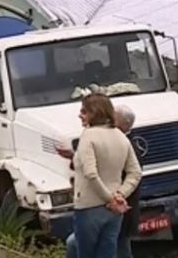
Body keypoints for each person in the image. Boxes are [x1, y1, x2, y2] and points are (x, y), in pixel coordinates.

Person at [70, 93, 142, 258]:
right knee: (107, 253)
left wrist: (109, 198)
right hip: (114, 211)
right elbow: (135, 172)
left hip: (89, 206)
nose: (80, 115)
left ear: (95, 112)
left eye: (84, 111)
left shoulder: (88, 135)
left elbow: (90, 173)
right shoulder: (121, 137)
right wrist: (120, 194)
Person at [113, 104, 142, 258]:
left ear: (123, 124)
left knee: (120, 245)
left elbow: (133, 175)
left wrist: (118, 195)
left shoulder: (127, 146)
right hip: (119, 207)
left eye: (113, 118)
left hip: (122, 207)